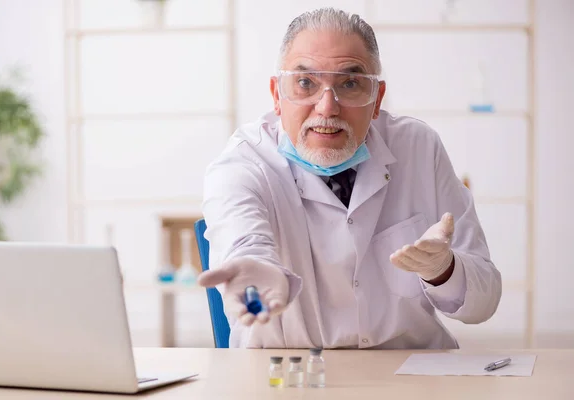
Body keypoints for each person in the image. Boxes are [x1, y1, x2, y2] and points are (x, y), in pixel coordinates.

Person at [197, 7, 501, 349]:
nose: (327, 107)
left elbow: (484, 302)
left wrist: (444, 269)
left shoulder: (418, 147)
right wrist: (256, 268)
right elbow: (243, 238)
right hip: (290, 379)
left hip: (411, 376)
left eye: (350, 83)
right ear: (277, 95)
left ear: (377, 99)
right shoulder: (242, 163)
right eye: (305, 83)